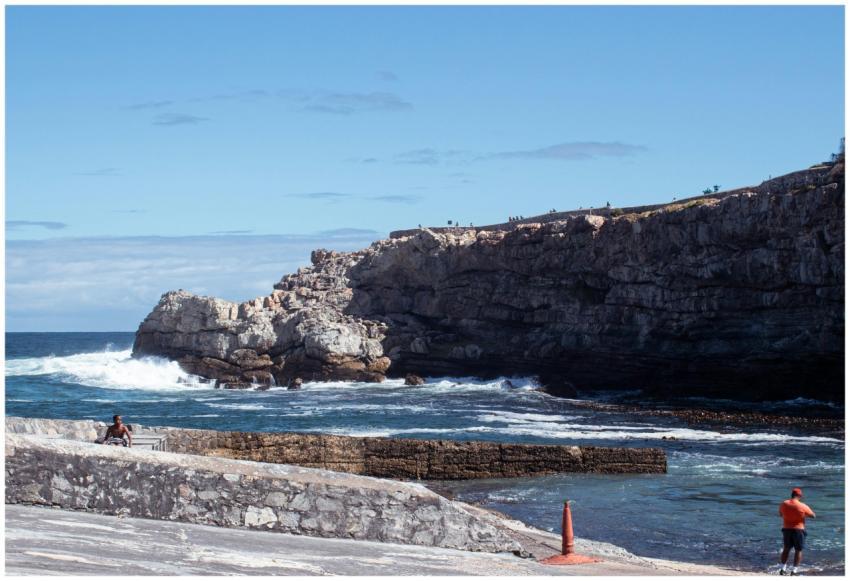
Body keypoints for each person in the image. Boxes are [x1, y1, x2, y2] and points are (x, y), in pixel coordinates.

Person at [779, 487, 815, 575]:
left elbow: (780, 514)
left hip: (786, 529)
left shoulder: (784, 503)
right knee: (798, 550)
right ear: (799, 496)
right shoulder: (802, 505)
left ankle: (783, 569)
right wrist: (803, 515)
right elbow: (813, 516)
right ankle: (794, 571)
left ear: (792, 495)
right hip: (798, 530)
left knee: (786, 549)